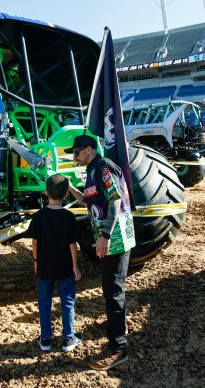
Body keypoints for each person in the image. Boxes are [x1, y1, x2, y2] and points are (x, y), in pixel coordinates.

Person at [65, 134, 136, 371]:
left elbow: (115, 200)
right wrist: (71, 189)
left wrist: (105, 236)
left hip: (113, 240)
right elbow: (90, 200)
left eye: (76, 152)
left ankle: (118, 348)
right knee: (112, 288)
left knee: (112, 290)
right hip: (109, 239)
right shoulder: (94, 168)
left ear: (89, 149)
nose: (74, 156)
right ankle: (117, 324)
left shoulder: (103, 166)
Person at [26, 174, 83, 352]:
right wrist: (75, 266)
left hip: (44, 267)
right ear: (66, 194)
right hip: (65, 267)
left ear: (45, 192)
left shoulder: (38, 216)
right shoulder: (69, 217)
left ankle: (45, 340)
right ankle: (68, 339)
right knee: (67, 301)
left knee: (44, 302)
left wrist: (35, 261)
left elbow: (34, 243)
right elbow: (72, 244)